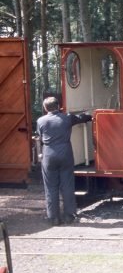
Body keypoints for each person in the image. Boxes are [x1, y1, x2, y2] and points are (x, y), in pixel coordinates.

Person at [37, 97, 92, 226]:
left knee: (50, 187)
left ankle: (53, 218)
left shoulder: (41, 121)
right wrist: (91, 115)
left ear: (45, 108)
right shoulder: (67, 118)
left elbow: (40, 136)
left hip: (48, 154)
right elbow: (82, 118)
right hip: (65, 153)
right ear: (59, 106)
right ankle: (69, 216)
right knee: (67, 185)